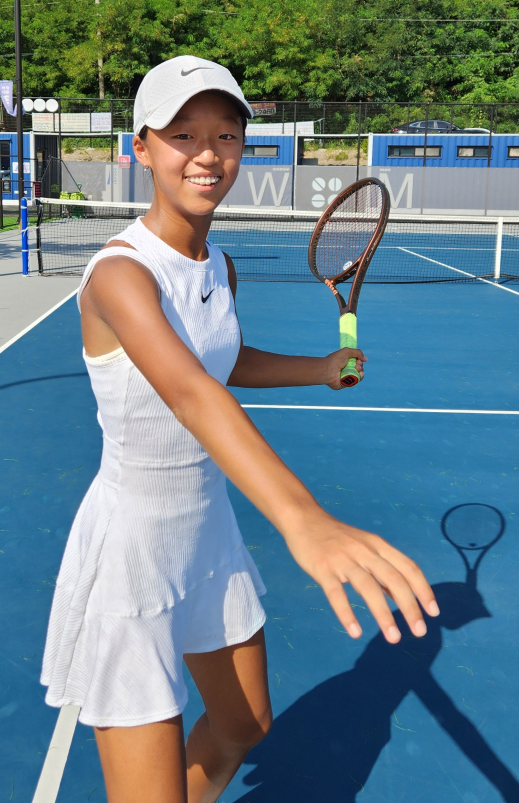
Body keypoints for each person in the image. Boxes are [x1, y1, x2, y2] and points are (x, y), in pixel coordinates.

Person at [40, 55, 439, 803]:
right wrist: (302, 517)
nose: (207, 153)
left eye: (226, 134)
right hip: (134, 546)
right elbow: (189, 392)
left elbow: (221, 360)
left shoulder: (219, 267)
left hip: (208, 530)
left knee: (246, 725)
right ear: (142, 147)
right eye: (183, 133)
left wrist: (318, 368)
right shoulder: (119, 275)